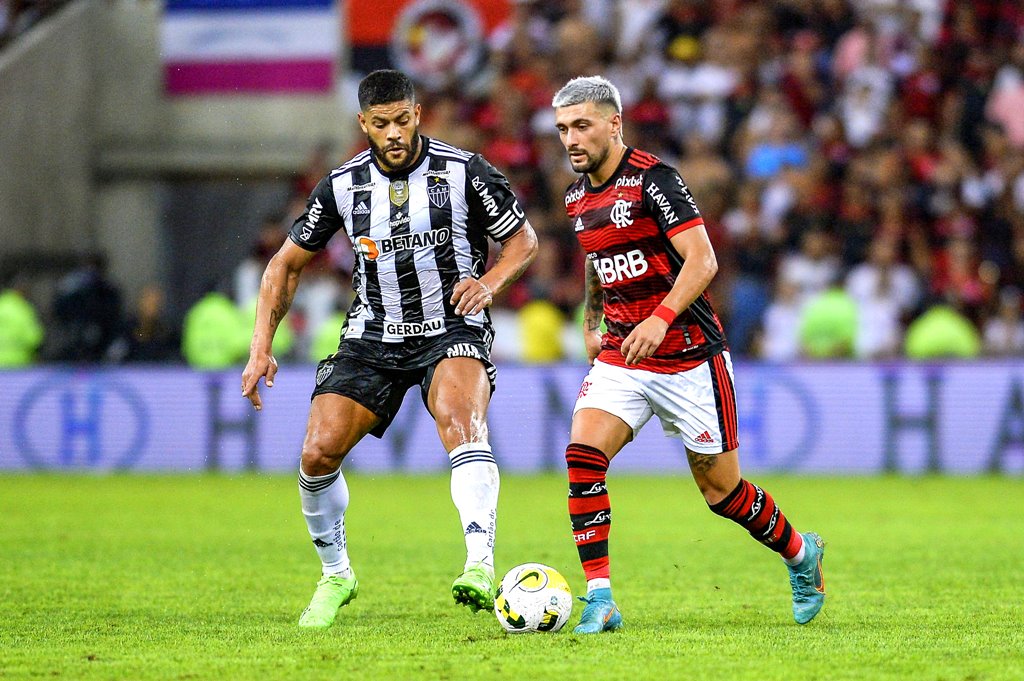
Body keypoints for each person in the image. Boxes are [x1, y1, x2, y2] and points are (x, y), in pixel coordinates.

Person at [241, 69, 538, 630]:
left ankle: (479, 564)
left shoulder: (465, 172)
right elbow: (284, 265)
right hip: (372, 334)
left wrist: (489, 283)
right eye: (382, 124)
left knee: (462, 423)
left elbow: (524, 240)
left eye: (403, 120)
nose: (395, 133)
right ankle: (336, 575)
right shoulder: (340, 186)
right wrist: (261, 348)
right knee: (317, 454)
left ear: (417, 114)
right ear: (364, 124)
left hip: (451, 326)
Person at [551, 76, 825, 634]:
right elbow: (595, 258)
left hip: (690, 354)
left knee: (722, 493)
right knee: (583, 455)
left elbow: (702, 262)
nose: (571, 139)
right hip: (623, 354)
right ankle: (600, 598)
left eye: (581, 125)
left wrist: (660, 316)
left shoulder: (656, 180)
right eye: (562, 129)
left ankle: (801, 554)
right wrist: (591, 317)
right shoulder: (577, 195)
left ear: (613, 123)